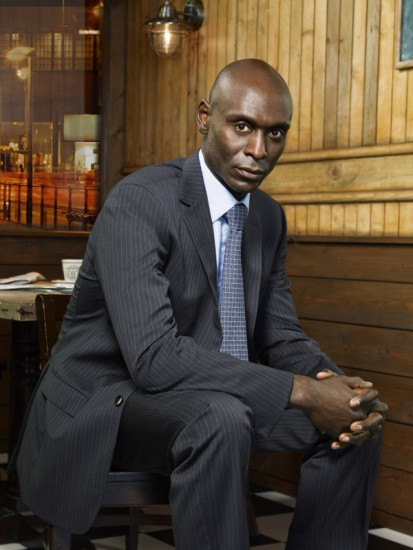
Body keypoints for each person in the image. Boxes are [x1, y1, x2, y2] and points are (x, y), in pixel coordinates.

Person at [14, 59, 388, 550]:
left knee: (360, 419)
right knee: (221, 418)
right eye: (242, 126)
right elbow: (153, 358)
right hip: (108, 402)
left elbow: (282, 336)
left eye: (275, 133)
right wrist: (304, 392)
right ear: (205, 118)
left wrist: (342, 391)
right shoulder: (140, 201)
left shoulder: (268, 218)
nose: (258, 150)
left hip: (213, 393)